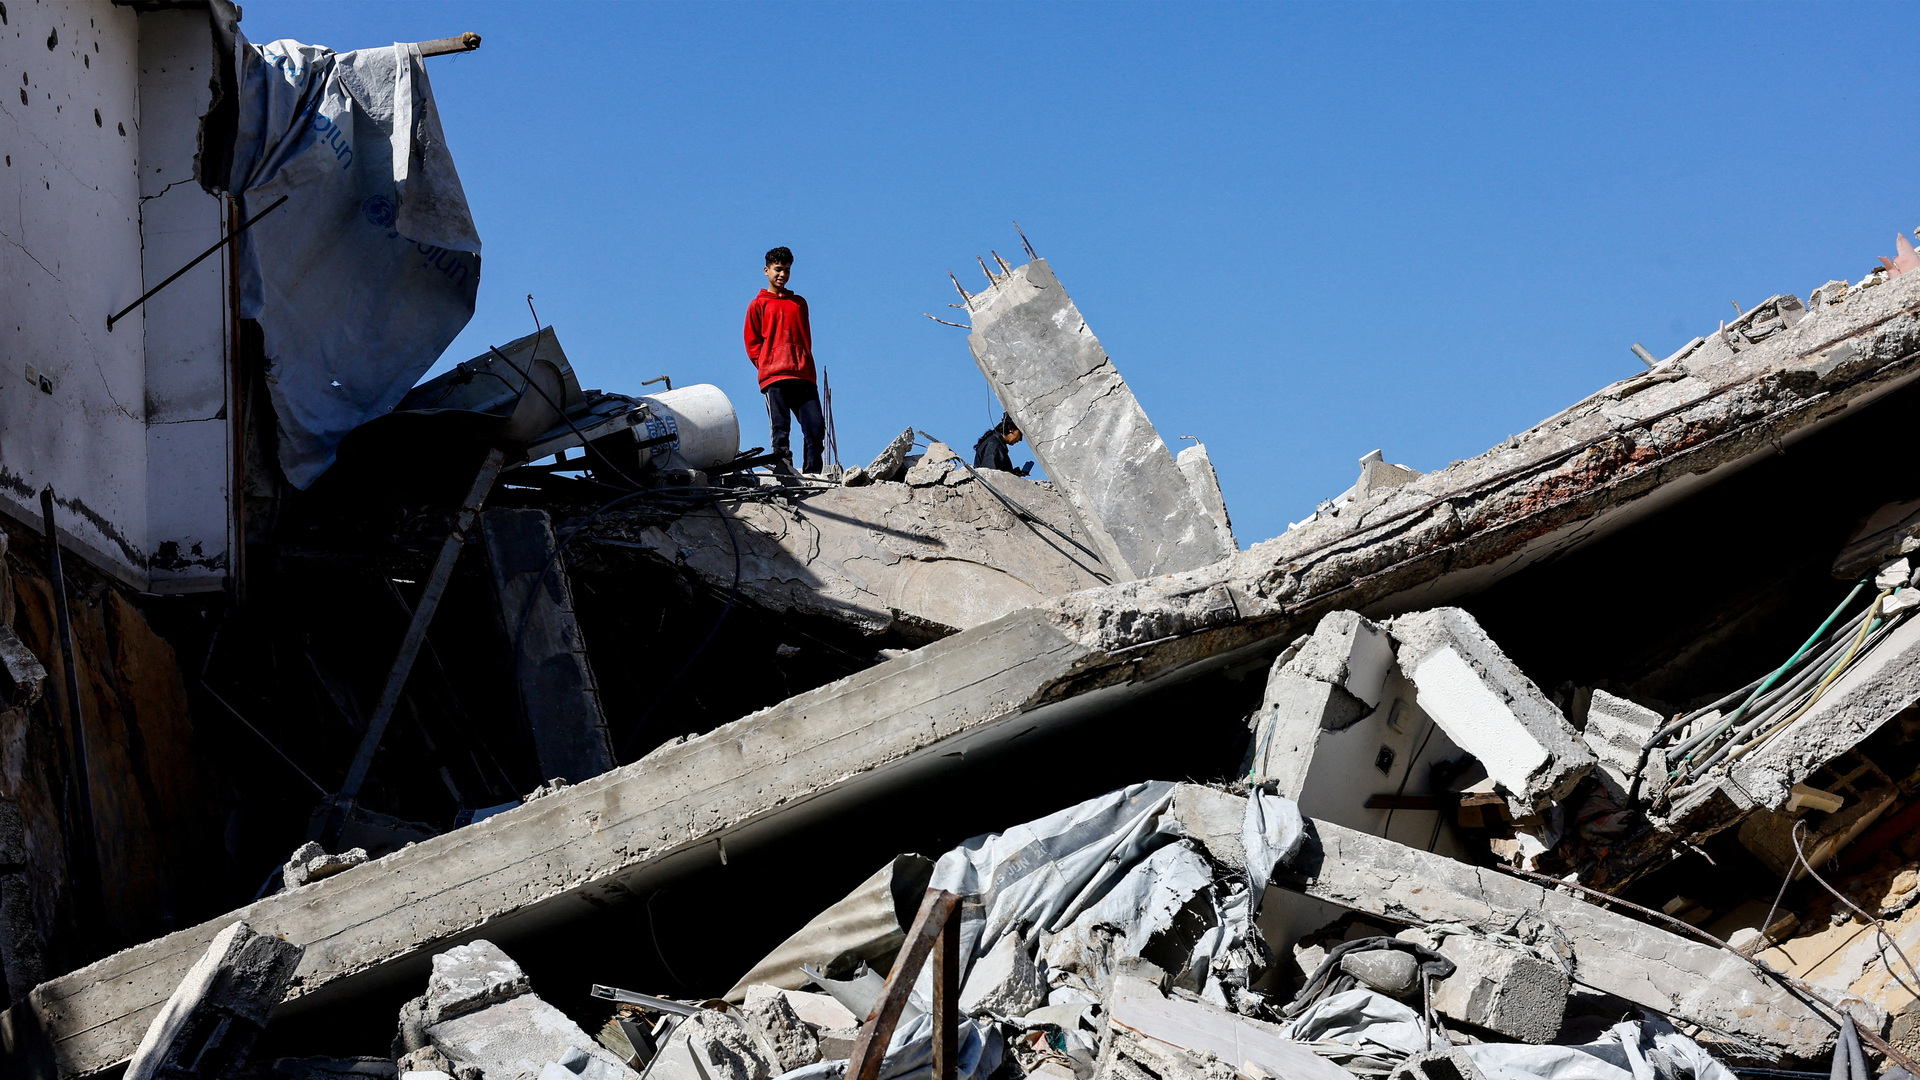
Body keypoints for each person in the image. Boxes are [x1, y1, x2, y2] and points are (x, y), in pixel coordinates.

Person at [743, 246, 824, 474]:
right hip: (775, 376)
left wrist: (802, 359)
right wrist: (767, 363)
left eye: (787, 270)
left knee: (816, 427)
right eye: (778, 269)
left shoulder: (799, 303)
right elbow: (752, 343)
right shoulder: (758, 305)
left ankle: (813, 474)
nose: (782, 274)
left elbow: (806, 337)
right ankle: (784, 471)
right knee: (780, 430)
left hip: (803, 374)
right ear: (766, 270)